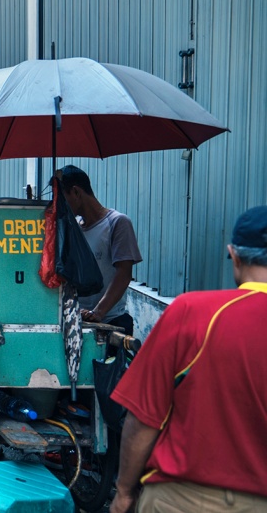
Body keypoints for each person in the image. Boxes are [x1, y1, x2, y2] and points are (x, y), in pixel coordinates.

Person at [109, 206, 267, 513]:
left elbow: (143, 419)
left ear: (233, 255)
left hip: (185, 499)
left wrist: (124, 492)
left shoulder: (192, 313)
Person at [58, 165, 142, 334]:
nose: (61, 206)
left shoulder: (117, 223)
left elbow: (124, 274)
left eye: (62, 199)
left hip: (110, 321)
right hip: (78, 320)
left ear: (76, 192)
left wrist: (98, 312)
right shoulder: (75, 230)